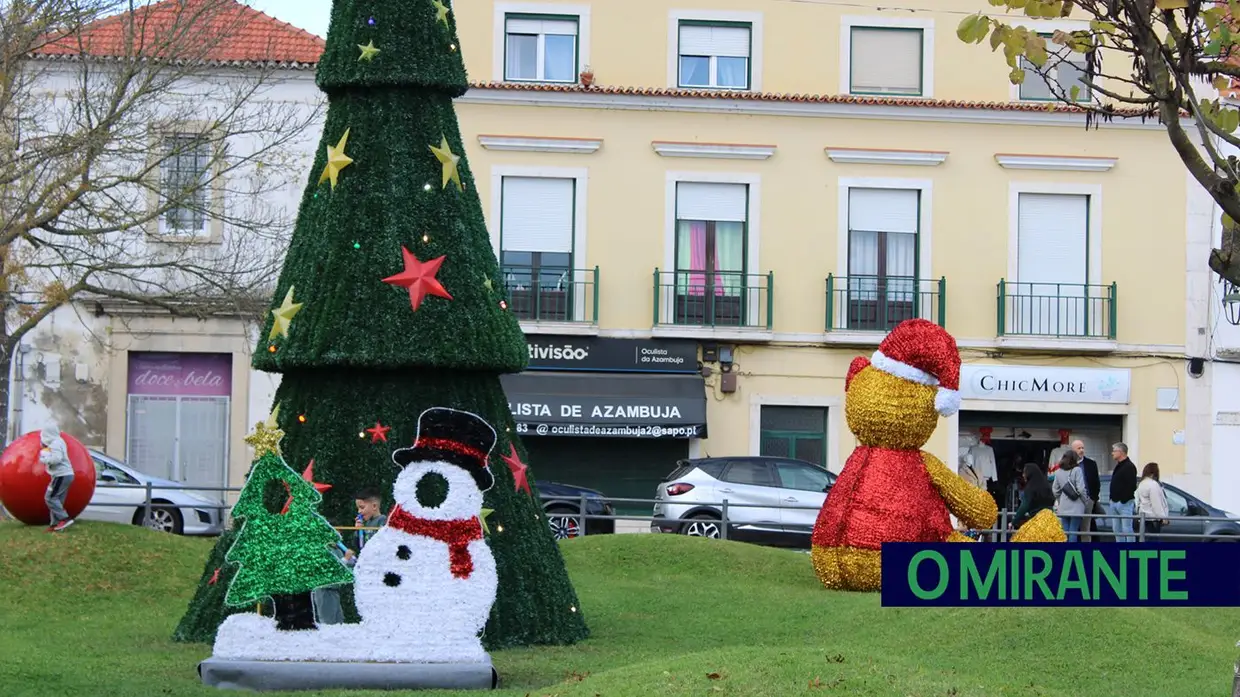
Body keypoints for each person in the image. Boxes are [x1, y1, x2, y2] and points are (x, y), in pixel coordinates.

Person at [312, 489, 389, 625]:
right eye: (358, 508)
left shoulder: (382, 521)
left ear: (375, 506)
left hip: (377, 567)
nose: (359, 511)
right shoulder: (364, 524)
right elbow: (359, 546)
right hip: (365, 569)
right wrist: (358, 531)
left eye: (362, 507)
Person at [39, 427, 75, 532]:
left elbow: (56, 458)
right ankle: (55, 525)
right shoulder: (59, 441)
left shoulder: (55, 443)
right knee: (57, 500)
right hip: (65, 474)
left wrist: (44, 459)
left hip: (61, 475)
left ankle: (64, 519)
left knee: (50, 498)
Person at [1052, 450, 1091, 542]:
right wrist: (1085, 501)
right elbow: (1081, 489)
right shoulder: (1077, 470)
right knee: (1073, 531)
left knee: (1065, 531)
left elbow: (1055, 490)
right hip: (1077, 506)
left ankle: (1065, 552)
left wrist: (1060, 500)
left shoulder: (1058, 472)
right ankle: (1072, 552)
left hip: (1064, 506)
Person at [1071, 440, 1102, 541]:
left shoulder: (1091, 464)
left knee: (1085, 528)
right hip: (1073, 501)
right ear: (1073, 450)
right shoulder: (1068, 464)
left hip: (1088, 500)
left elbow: (1096, 482)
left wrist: (1093, 498)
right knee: (1072, 528)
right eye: (1079, 448)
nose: (1081, 450)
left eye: (1082, 448)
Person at [1108, 442, 1138, 543]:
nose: (1112, 453)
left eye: (1114, 451)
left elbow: (1131, 486)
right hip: (1114, 502)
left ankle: (1130, 551)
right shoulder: (1119, 466)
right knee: (1116, 529)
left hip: (1124, 503)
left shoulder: (1129, 466)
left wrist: (1123, 500)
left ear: (1121, 452)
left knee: (1127, 529)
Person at [1012, 463, 1055, 530]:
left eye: (1024, 473)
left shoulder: (1030, 488)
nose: (1023, 475)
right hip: (1050, 521)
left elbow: (1024, 506)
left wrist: (1014, 522)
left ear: (1029, 474)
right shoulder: (1046, 485)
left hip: (1037, 521)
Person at [1135, 462, 1170, 538]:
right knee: (1154, 543)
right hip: (1153, 519)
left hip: (1143, 517)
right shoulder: (1153, 485)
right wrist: (1163, 518)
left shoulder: (1141, 484)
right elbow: (1156, 504)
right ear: (1154, 473)